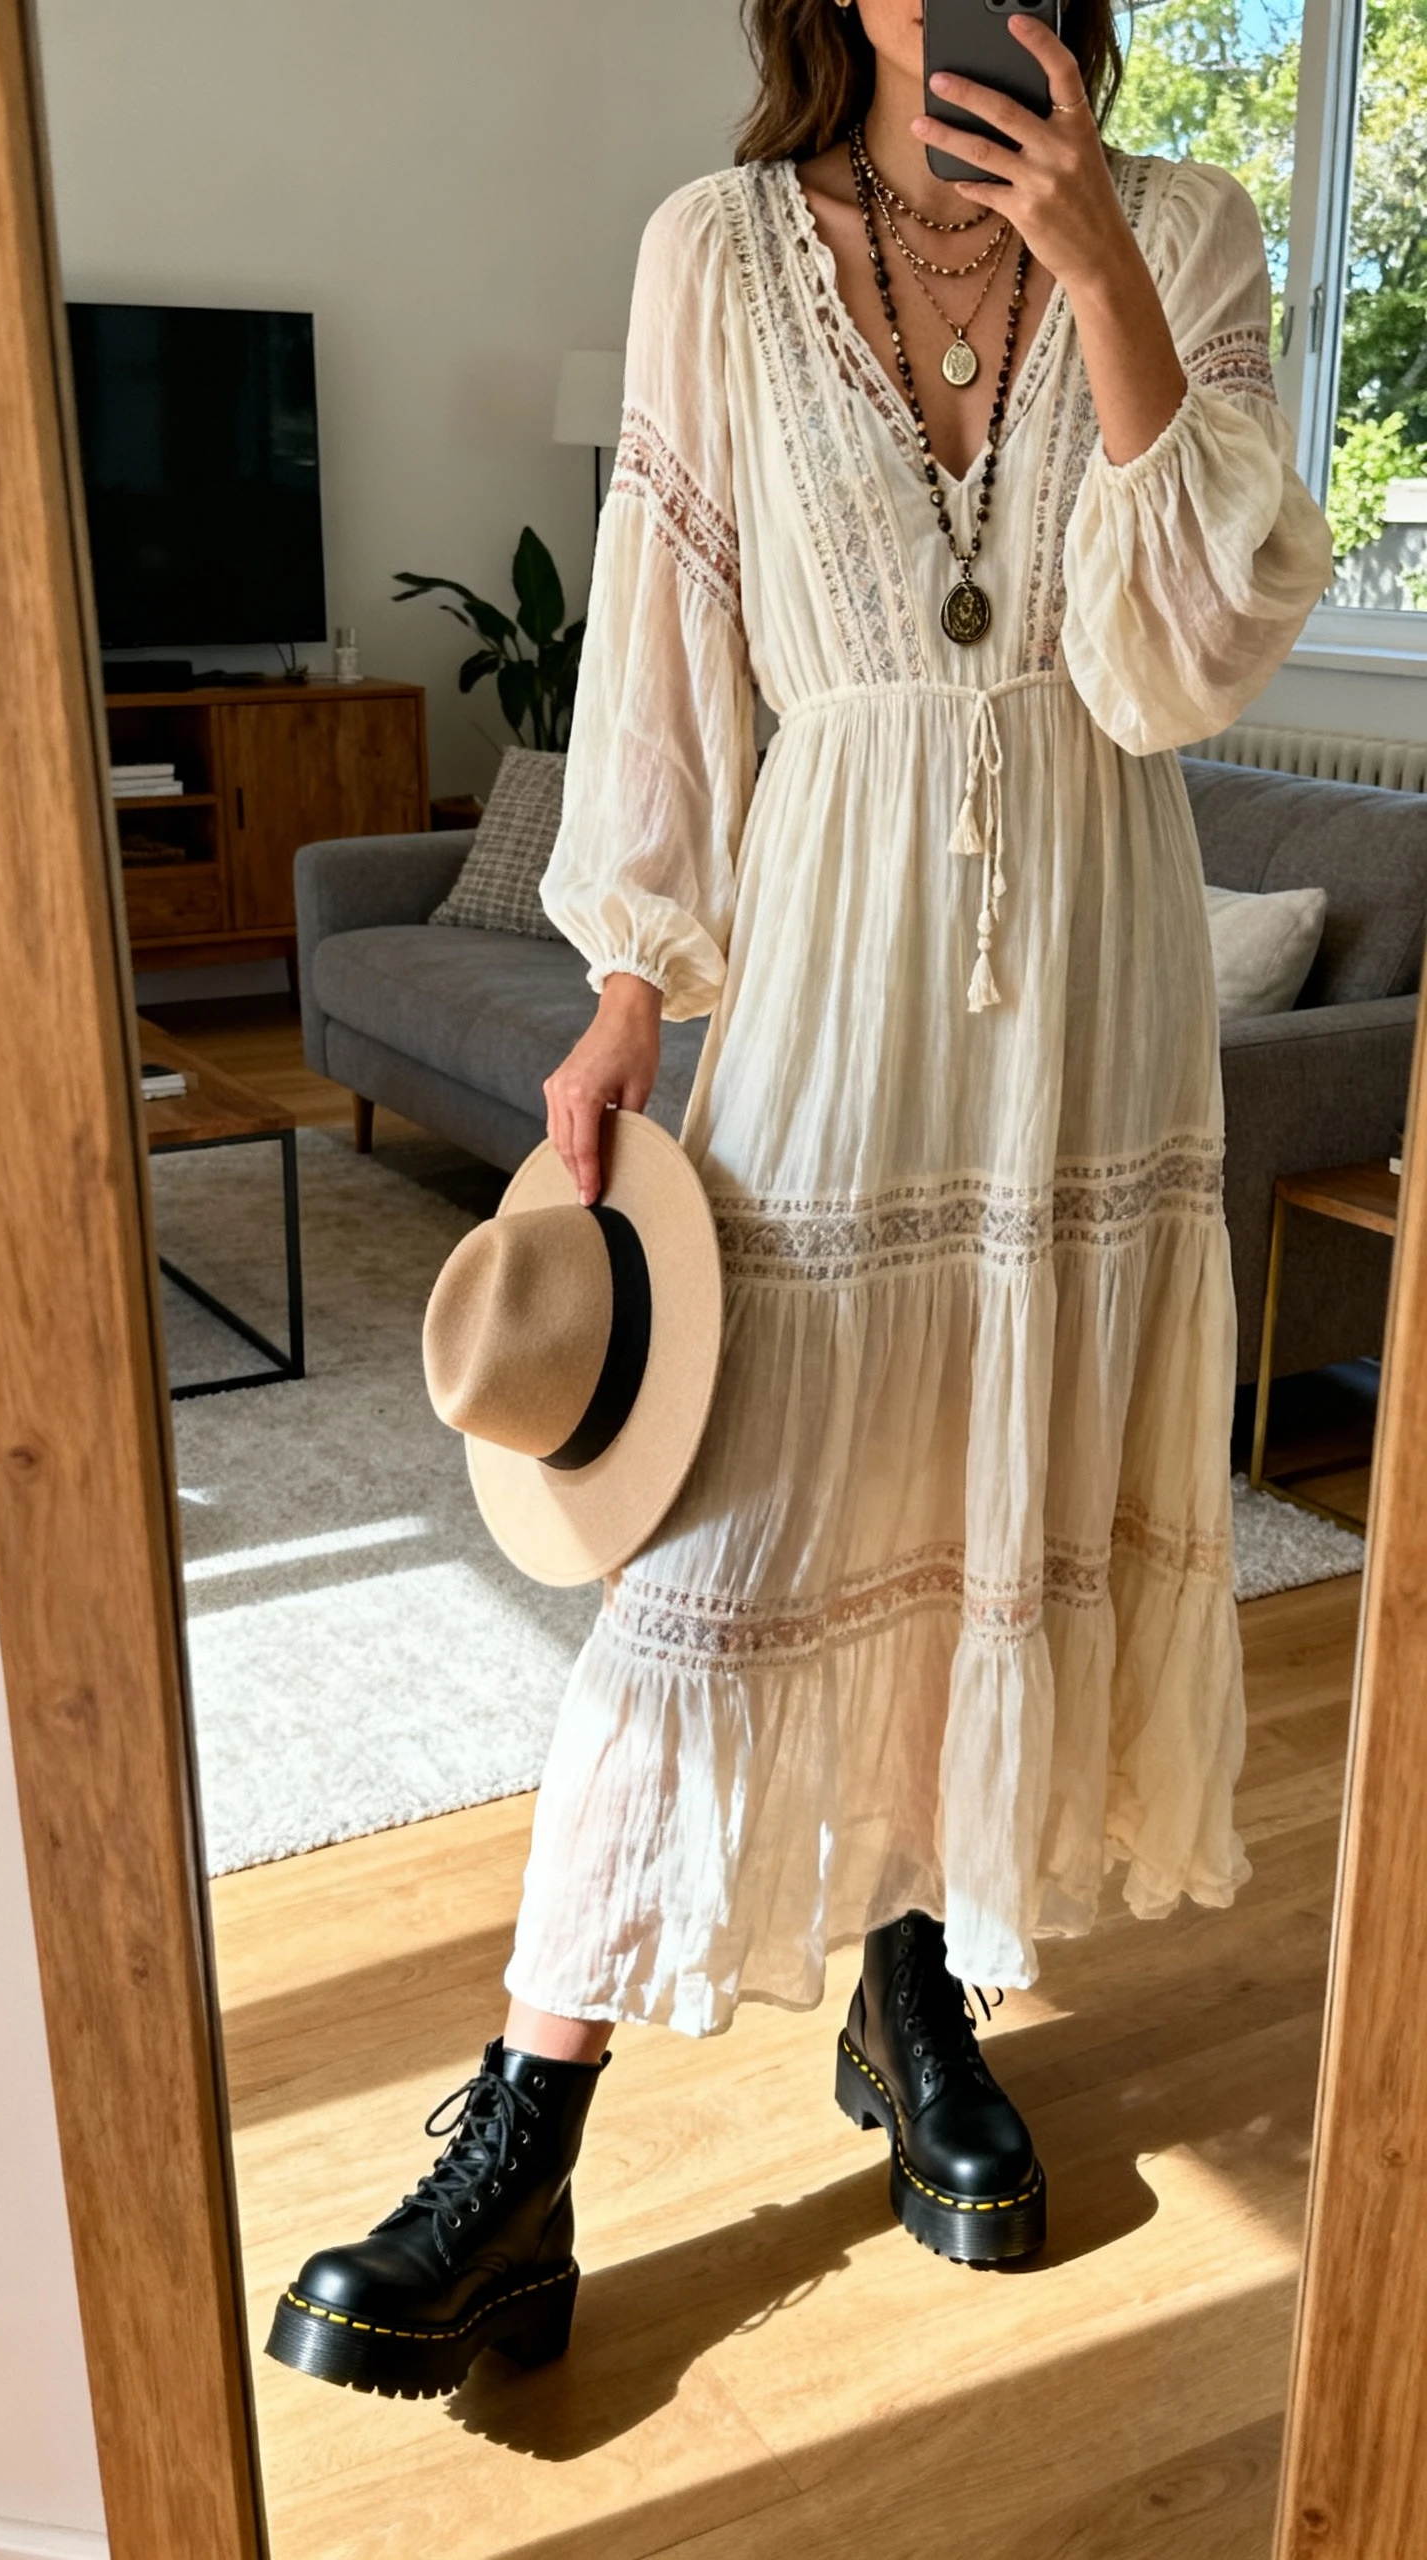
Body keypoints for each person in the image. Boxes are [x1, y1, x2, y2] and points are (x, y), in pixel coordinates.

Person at [266, 0, 1333, 2398]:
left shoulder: (1186, 232)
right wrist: (633, 970)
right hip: (838, 965)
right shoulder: (714, 252)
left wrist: (1107, 288)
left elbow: (1180, 667)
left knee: (998, 1486)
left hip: (1091, 957)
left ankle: (915, 1981)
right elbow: (666, 618)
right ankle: (525, 2130)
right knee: (727, 1536)